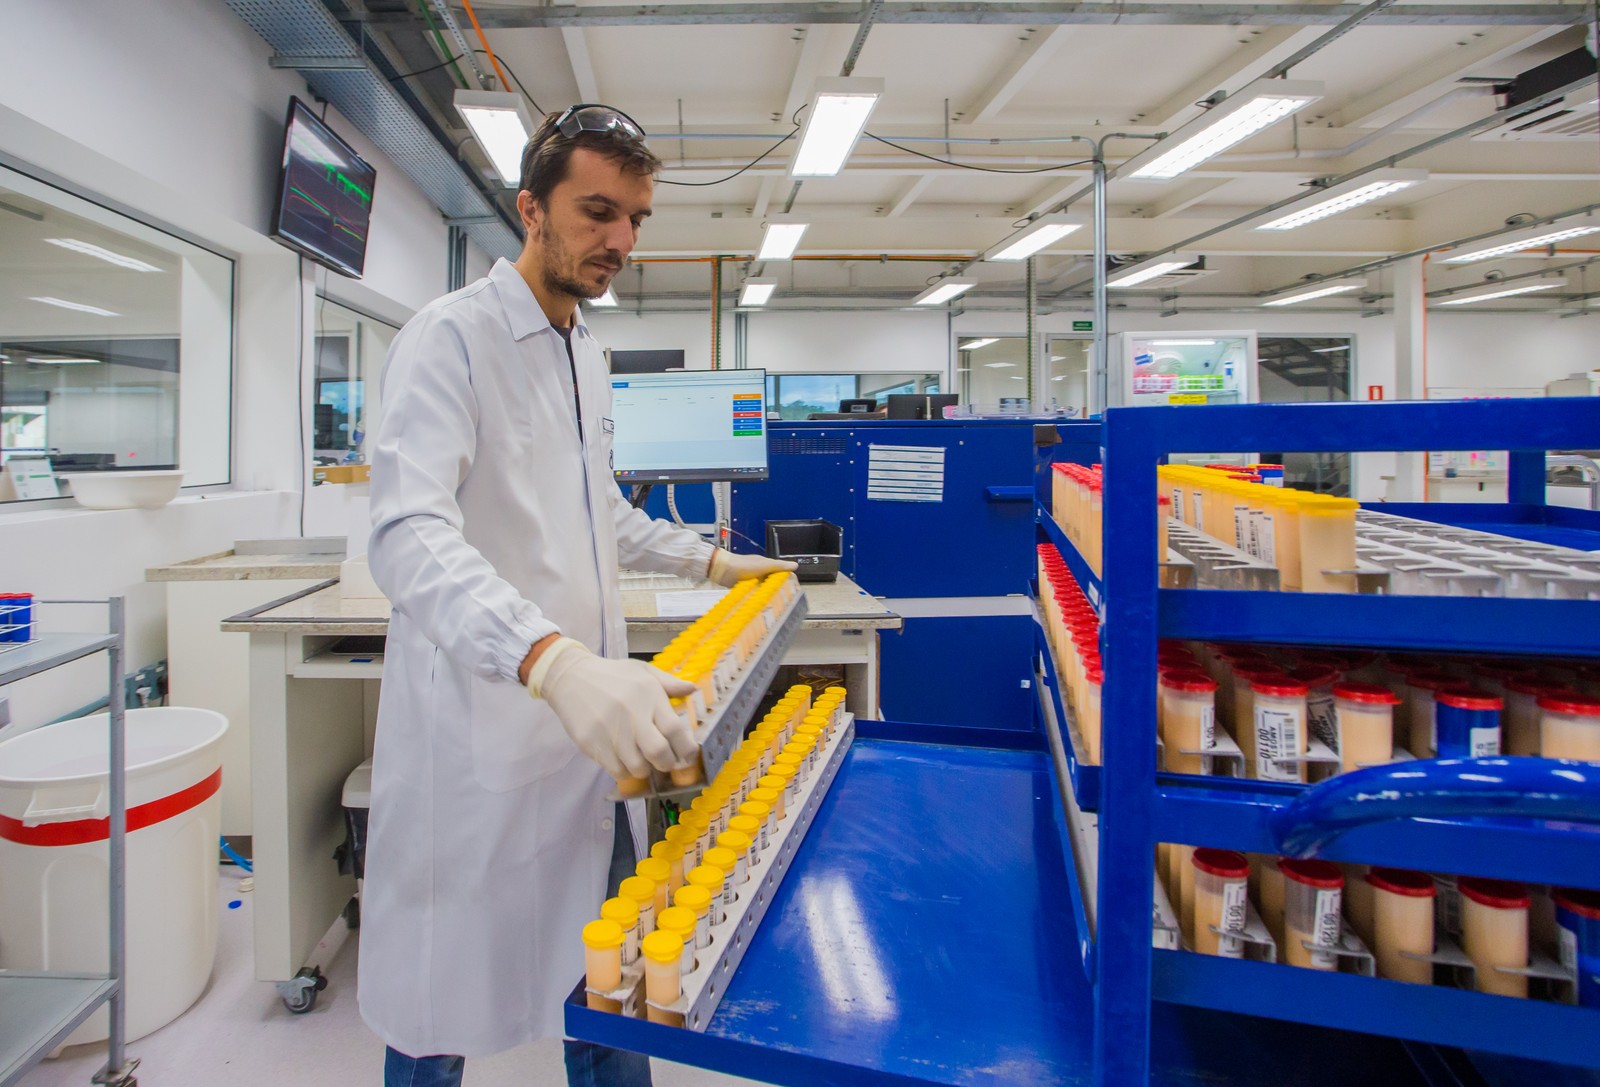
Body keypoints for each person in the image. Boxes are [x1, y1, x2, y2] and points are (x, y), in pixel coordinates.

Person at [358, 104, 794, 1087]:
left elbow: (596, 508)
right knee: (437, 1015)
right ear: (530, 208)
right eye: (599, 212)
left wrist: (710, 563)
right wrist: (549, 660)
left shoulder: (584, 349)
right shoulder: (450, 340)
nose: (622, 240)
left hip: (588, 738)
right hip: (484, 737)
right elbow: (406, 532)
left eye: (636, 217)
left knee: (605, 985)